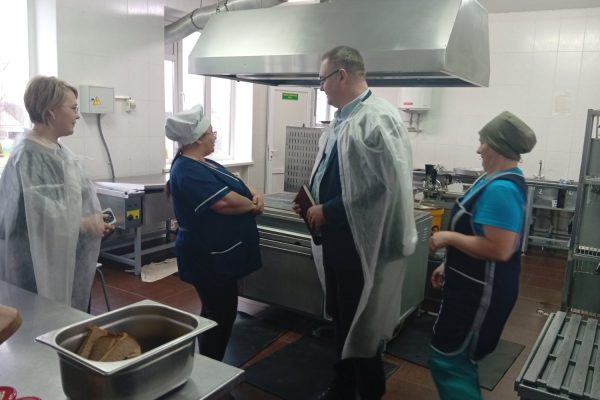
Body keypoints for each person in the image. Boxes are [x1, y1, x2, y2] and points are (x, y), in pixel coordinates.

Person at [293, 46, 417, 400]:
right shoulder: (342, 120)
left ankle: (367, 390)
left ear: (342, 75)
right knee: (342, 317)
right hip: (338, 241)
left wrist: (329, 210)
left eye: (322, 80)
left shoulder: (377, 119)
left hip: (362, 246)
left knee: (362, 321)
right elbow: (341, 175)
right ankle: (344, 387)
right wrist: (311, 202)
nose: (321, 88)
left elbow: (383, 186)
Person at [428, 111, 537, 400]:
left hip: (481, 297)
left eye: (483, 142)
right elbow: (477, 232)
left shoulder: (501, 189)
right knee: (451, 359)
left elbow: (499, 248)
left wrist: (447, 238)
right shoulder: (490, 179)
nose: (479, 149)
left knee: (451, 362)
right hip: (468, 287)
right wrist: (450, 264)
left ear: (498, 145)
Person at [0, 75, 114, 311]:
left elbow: (65, 201)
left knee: (66, 318)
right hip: (38, 268)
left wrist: (93, 219)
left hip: (64, 260)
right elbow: (34, 215)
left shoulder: (58, 151)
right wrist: (82, 224)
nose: (77, 115)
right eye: (73, 108)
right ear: (51, 111)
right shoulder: (29, 156)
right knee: (45, 321)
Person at [165, 104, 263, 361]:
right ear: (197, 138)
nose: (215, 135)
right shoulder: (187, 169)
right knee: (220, 313)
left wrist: (254, 195)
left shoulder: (204, 163)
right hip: (207, 256)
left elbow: (238, 186)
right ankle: (212, 366)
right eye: (211, 132)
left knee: (214, 310)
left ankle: (209, 362)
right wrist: (253, 205)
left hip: (217, 253)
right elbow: (225, 202)